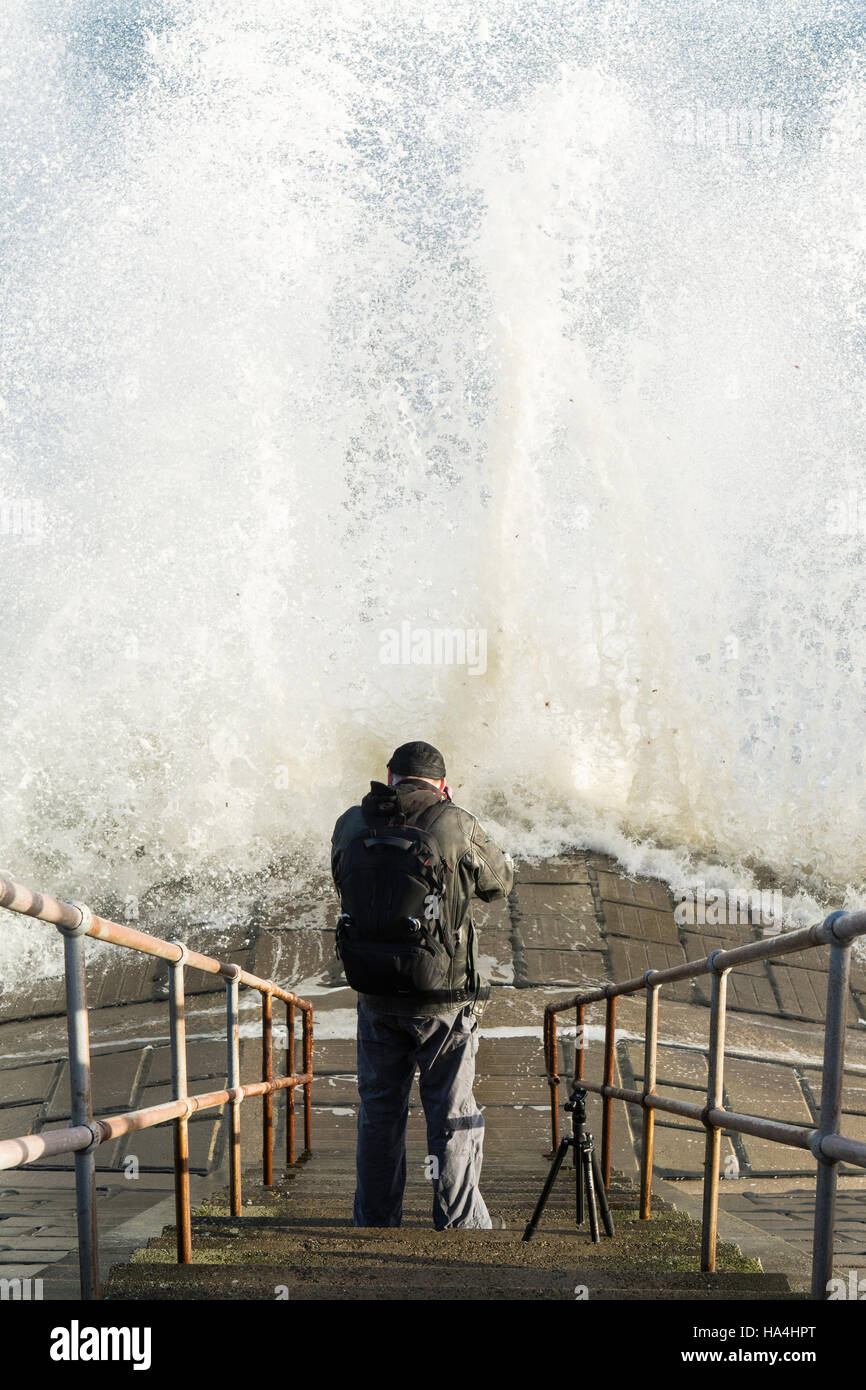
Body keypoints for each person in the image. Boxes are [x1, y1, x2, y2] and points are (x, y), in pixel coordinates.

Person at [331, 740, 513, 1230]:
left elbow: (340, 880)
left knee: (379, 1116)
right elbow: (501, 882)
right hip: (444, 1000)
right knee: (451, 1115)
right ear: (443, 784)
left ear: (390, 778)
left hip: (375, 995)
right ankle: (459, 1227)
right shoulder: (455, 821)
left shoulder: (352, 822)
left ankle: (374, 1222)